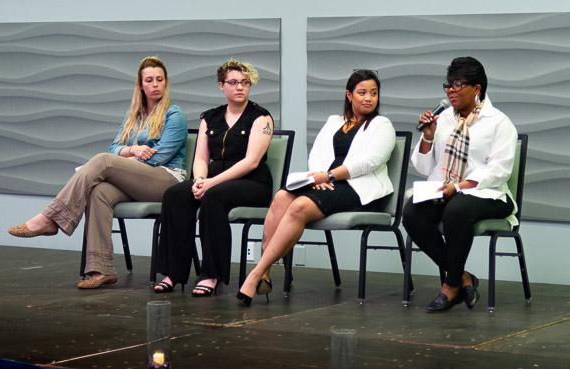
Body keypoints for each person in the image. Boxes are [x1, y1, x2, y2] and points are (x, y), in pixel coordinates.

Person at [8, 56, 188, 289]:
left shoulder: (175, 115)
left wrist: (123, 160)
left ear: (166, 83)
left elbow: (161, 156)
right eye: (149, 80)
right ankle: (101, 270)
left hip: (167, 180)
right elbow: (114, 147)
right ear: (141, 85)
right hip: (137, 180)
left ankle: (49, 218)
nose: (155, 84)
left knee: (103, 162)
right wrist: (132, 149)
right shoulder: (133, 115)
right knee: (99, 191)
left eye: (160, 80)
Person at [237, 69, 396, 306]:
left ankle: (256, 273)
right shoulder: (335, 121)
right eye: (362, 92)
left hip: (360, 190)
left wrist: (329, 175)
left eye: (373, 93)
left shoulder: (382, 125)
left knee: (299, 206)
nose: (368, 98)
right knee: (281, 197)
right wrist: (318, 177)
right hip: (325, 183)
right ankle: (265, 274)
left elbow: (370, 162)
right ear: (349, 95)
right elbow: (318, 153)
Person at [402, 56, 518, 312]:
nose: (451, 91)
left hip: (488, 194)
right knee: (412, 213)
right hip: (445, 189)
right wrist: (428, 138)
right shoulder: (442, 119)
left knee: (456, 211)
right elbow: (422, 167)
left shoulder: (499, 123)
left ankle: (450, 285)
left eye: (458, 84)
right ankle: (463, 277)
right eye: (448, 85)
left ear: (476, 89)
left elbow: (499, 171)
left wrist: (461, 185)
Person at [152, 59, 274, 296]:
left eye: (245, 82)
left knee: (214, 197)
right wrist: (199, 179)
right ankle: (172, 273)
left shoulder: (261, 118)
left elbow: (251, 162)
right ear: (221, 85)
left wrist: (210, 184)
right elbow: (201, 157)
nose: (240, 87)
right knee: (175, 195)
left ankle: (211, 274)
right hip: (214, 180)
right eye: (233, 82)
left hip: (253, 183)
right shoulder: (210, 117)